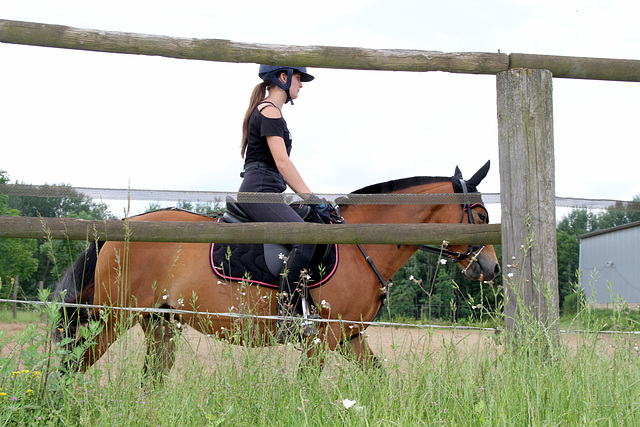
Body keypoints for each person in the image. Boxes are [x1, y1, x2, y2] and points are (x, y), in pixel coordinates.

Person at [237, 65, 330, 338]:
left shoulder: (268, 110)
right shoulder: (270, 111)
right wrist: (312, 199)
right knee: (306, 236)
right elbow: (282, 162)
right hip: (259, 192)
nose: (301, 85)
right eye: (299, 78)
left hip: (267, 190)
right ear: (283, 77)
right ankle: (287, 316)